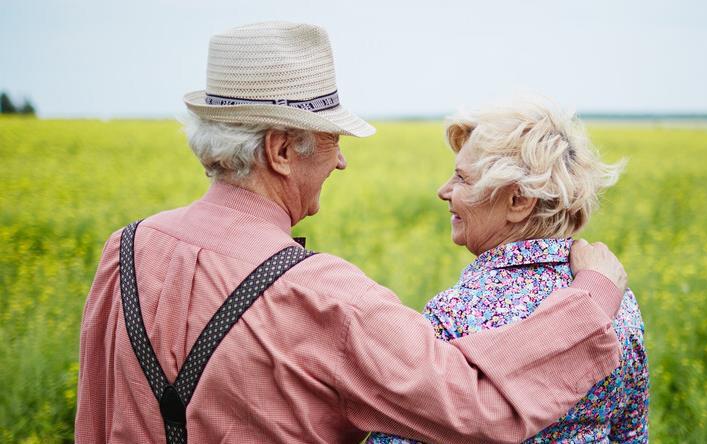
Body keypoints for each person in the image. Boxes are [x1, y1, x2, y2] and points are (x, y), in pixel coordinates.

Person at [75, 22, 629, 443]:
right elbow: (475, 403)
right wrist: (594, 295)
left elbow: (93, 421)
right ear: (282, 150)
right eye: (334, 141)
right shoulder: (323, 296)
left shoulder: (124, 251)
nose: (341, 164)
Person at [368, 98, 648, 443]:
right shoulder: (617, 300)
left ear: (517, 202)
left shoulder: (454, 317)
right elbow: (631, 432)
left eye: (461, 178)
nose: (444, 191)